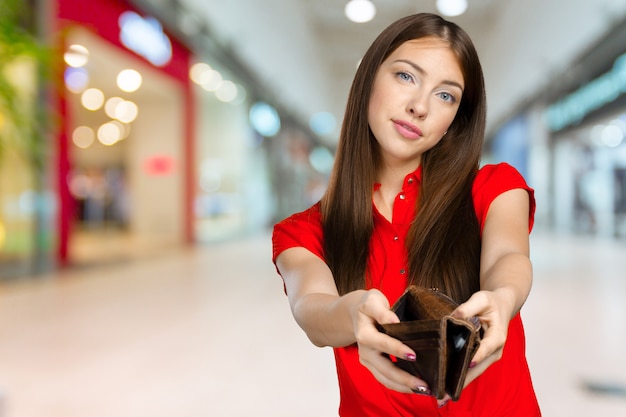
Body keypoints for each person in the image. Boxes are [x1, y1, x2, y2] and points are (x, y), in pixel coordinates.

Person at [272, 12, 541, 417]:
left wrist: (504, 298)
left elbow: (508, 257)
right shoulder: (304, 232)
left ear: (455, 120)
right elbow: (311, 306)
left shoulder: (494, 188)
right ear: (368, 81)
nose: (419, 107)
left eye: (445, 95)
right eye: (406, 76)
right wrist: (351, 310)